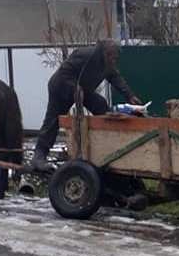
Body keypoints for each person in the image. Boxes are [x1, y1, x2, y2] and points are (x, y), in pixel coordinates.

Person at [31, 39, 142, 172]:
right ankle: (39, 156)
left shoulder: (108, 64)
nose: (114, 60)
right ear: (106, 53)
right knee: (53, 121)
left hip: (82, 90)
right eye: (113, 56)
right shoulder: (85, 55)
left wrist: (129, 95)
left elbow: (115, 78)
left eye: (116, 57)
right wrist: (75, 88)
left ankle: (103, 146)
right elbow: (64, 72)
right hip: (61, 88)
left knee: (100, 104)